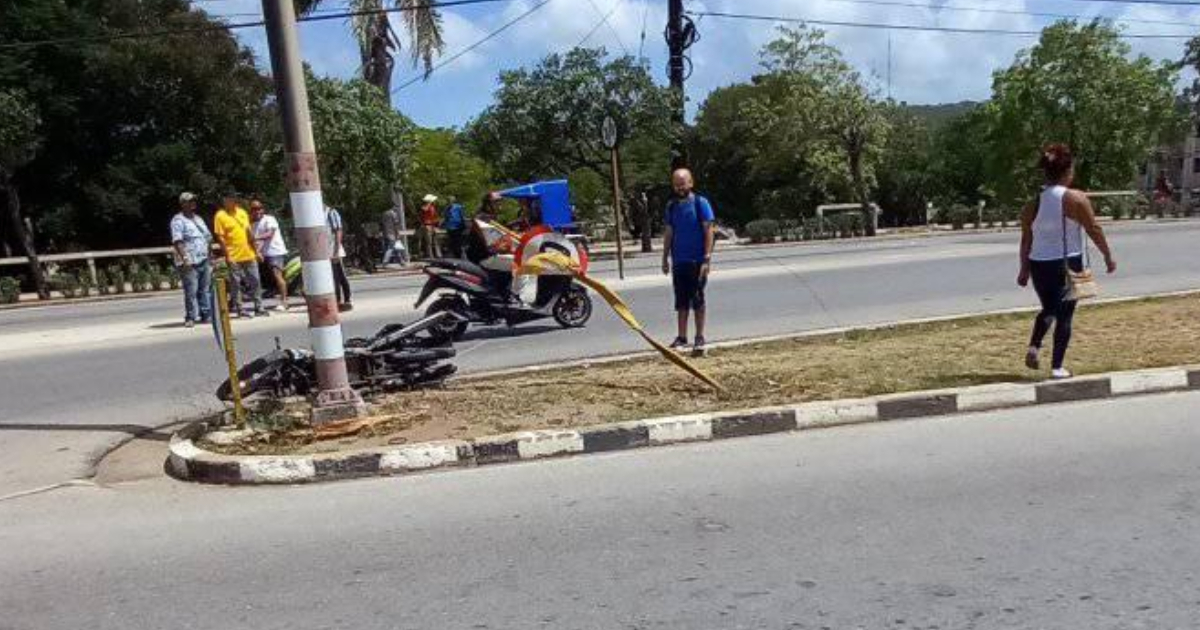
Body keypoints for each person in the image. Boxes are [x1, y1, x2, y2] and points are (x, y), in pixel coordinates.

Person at [1018, 144, 1117, 379]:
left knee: (1049, 308)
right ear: (1068, 171)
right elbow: (1094, 229)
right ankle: (1057, 367)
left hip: (1038, 262)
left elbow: (1025, 240)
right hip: (1067, 262)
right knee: (1065, 315)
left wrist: (1023, 269)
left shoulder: (1032, 204)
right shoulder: (1076, 199)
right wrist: (1107, 255)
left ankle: (1034, 346)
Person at [662, 168, 715, 356]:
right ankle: (681, 337)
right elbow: (669, 232)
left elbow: (709, 230)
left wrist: (706, 258)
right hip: (679, 261)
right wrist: (665, 258)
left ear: (691, 183)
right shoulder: (671, 206)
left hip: (697, 260)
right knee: (681, 301)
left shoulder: (701, 203)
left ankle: (699, 338)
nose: (679, 187)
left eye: (683, 183)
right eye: (676, 184)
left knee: (697, 299)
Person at [213, 193, 266, 318]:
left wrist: (256, 251)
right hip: (233, 255)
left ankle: (259, 307)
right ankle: (239, 309)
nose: (232, 202)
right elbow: (220, 238)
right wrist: (227, 256)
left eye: (234, 200)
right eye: (229, 199)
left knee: (256, 280)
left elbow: (248, 232)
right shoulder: (220, 216)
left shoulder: (242, 212)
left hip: (248, 253)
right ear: (225, 201)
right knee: (235, 284)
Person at [170, 192, 213, 327]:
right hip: (190, 260)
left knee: (204, 289)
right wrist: (185, 258)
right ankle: (190, 316)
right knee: (191, 291)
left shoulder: (198, 219)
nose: (192, 203)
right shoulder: (178, 220)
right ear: (182, 203)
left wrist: (211, 255)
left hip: (203, 257)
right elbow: (178, 241)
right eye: (189, 201)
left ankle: (206, 314)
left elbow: (207, 238)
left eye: (193, 201)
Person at [250, 200, 290, 311]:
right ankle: (259, 303)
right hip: (264, 253)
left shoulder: (269, 219)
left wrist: (254, 238)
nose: (257, 211)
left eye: (259, 208)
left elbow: (269, 234)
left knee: (277, 275)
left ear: (263, 209)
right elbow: (259, 242)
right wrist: (257, 252)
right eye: (254, 209)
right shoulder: (253, 224)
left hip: (275, 252)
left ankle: (285, 301)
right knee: (259, 277)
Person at [326, 205, 353, 311]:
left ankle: (345, 299)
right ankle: (337, 301)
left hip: (333, 250)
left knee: (338, 276)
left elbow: (338, 231)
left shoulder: (331, 212)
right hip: (325, 251)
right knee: (333, 276)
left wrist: (336, 251)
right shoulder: (316, 214)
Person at [419, 194, 441, 259]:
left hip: (430, 226)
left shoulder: (430, 207)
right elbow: (426, 212)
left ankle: (436, 255)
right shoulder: (427, 207)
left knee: (433, 241)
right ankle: (432, 255)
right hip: (428, 226)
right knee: (430, 242)